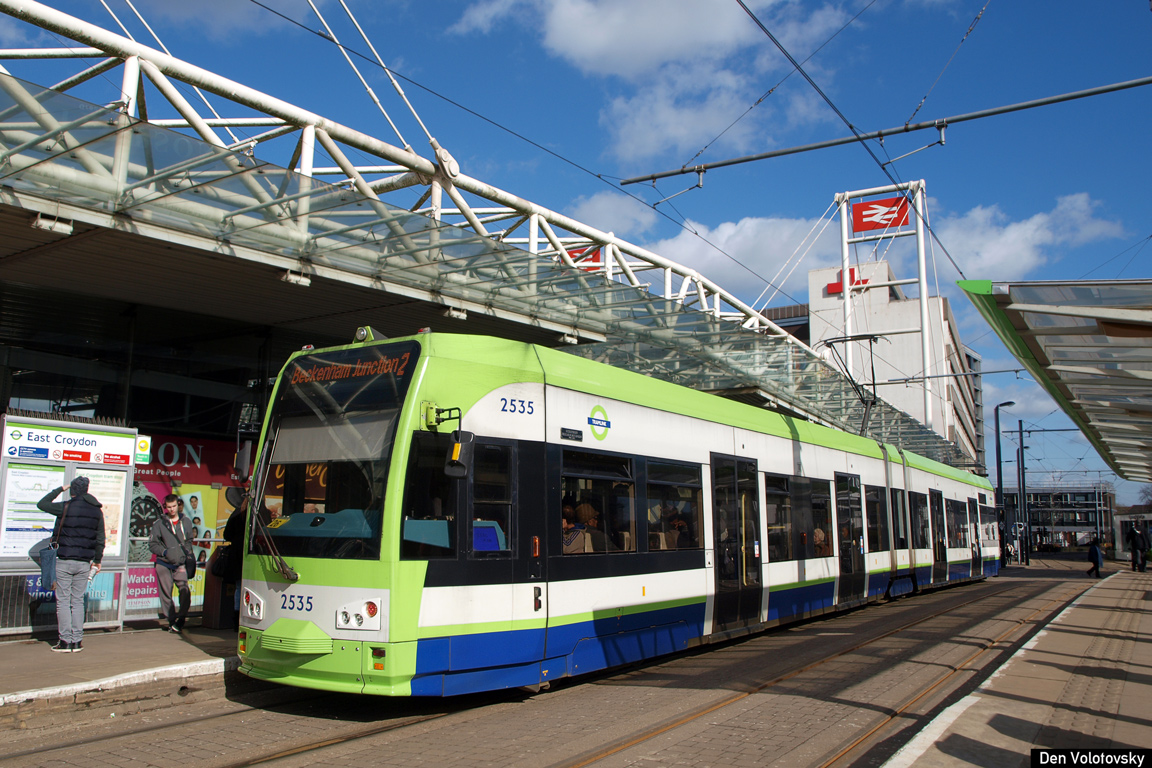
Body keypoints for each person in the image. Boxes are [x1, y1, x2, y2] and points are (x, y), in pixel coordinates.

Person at [37, 476, 104, 653]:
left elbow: (42, 503)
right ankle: (77, 641)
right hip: (84, 563)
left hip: (64, 560)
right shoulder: (97, 511)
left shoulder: (65, 506)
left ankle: (65, 642)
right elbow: (100, 539)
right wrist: (97, 561)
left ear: (72, 490)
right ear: (87, 490)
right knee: (78, 601)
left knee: (63, 601)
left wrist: (60, 488)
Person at [149, 494, 194, 633]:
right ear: (165, 507)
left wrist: (186, 554)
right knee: (166, 594)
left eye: (174, 506)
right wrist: (164, 552)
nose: (172, 509)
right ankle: (171, 620)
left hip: (180, 563)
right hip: (164, 563)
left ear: (178, 505)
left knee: (184, 591)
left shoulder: (186, 521)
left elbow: (189, 540)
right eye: (169, 507)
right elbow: (152, 544)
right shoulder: (159, 523)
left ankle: (181, 618)